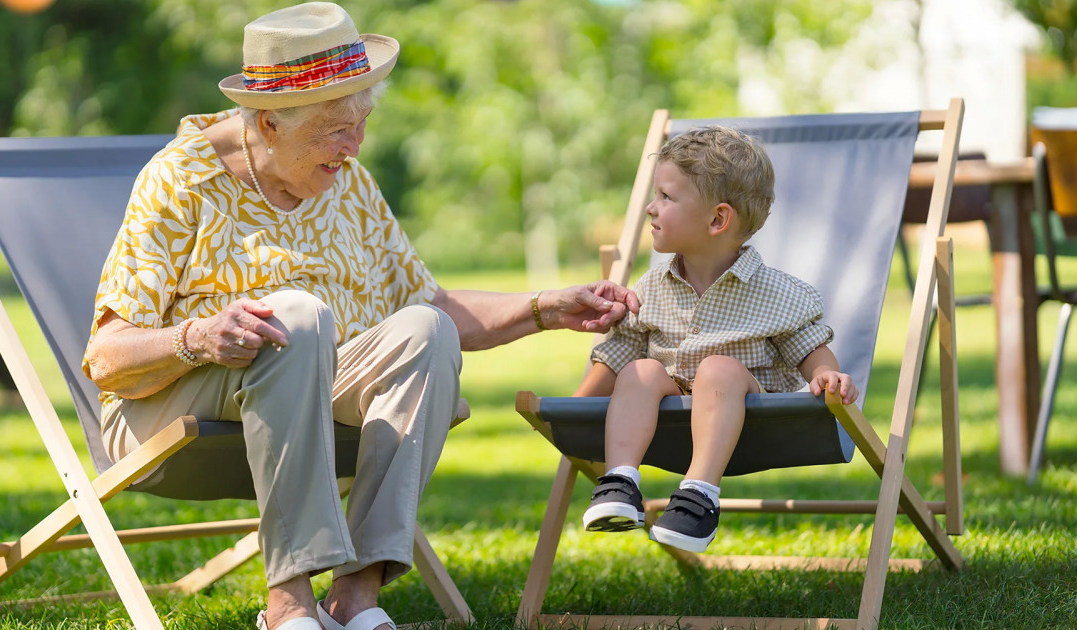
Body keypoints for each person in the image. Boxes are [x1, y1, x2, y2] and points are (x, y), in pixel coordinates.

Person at [80, 4, 638, 630]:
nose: (355, 146)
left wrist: (542, 309)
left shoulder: (347, 184)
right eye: (335, 130)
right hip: (174, 407)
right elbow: (106, 357)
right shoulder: (182, 179)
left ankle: (355, 597)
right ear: (268, 124)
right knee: (295, 314)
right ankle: (288, 603)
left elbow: (430, 304)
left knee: (427, 332)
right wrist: (200, 336)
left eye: (362, 123)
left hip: (308, 393)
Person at [575, 125, 859, 553]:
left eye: (667, 197)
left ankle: (699, 494)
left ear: (717, 219)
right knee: (641, 369)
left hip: (754, 425)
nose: (652, 208)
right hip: (666, 424)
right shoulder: (650, 289)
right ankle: (619, 481)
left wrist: (826, 376)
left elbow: (811, 350)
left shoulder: (779, 294)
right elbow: (617, 356)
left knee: (718, 368)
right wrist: (568, 415)